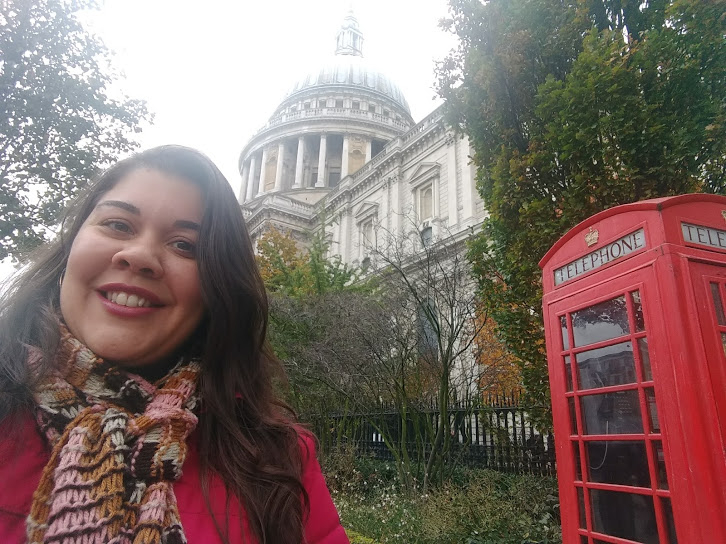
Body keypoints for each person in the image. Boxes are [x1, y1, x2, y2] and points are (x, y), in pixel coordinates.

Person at [0, 145, 349, 543]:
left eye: (185, 245)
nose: (139, 256)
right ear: (68, 252)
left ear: (217, 290)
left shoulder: (279, 461)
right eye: (117, 224)